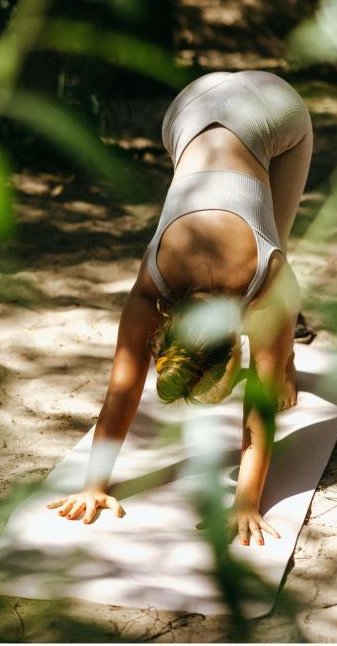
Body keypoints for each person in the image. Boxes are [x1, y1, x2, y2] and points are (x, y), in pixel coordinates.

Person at [47, 70, 314, 547]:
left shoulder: (268, 283)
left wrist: (247, 501)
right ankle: (284, 347)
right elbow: (123, 393)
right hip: (186, 110)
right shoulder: (152, 289)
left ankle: (289, 351)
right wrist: (94, 484)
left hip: (268, 106)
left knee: (279, 239)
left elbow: (259, 409)